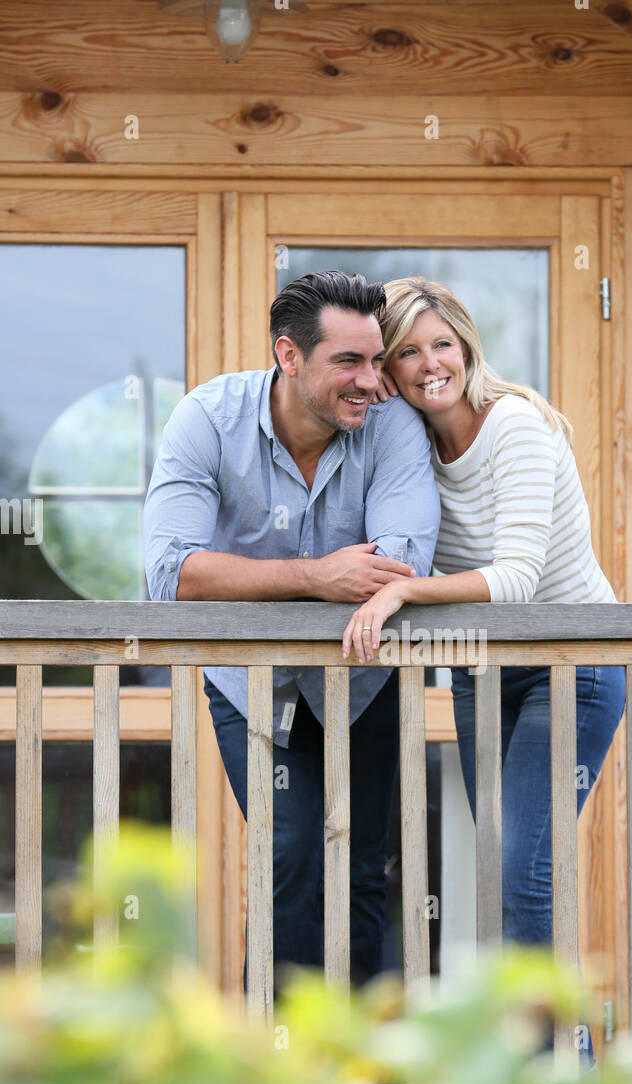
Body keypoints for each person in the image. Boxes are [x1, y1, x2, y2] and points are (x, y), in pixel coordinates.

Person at [342, 276, 625, 1062]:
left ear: (466, 346)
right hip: (481, 674)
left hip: (574, 667)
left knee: (523, 876)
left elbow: (518, 579)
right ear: (390, 372)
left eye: (442, 344)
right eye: (409, 352)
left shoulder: (517, 428)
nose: (431, 363)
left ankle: (564, 1083)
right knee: (501, 874)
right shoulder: (410, 450)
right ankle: (526, 1074)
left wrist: (401, 587)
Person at [144, 271, 440, 988]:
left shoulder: (392, 424)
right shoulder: (208, 419)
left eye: (377, 361)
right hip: (252, 686)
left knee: (367, 866)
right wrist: (315, 576)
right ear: (288, 355)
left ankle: (362, 1071)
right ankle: (277, 1068)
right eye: (349, 362)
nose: (373, 381)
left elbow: (400, 564)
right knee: (291, 852)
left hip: (366, 678)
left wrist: (258, 576)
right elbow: (170, 575)